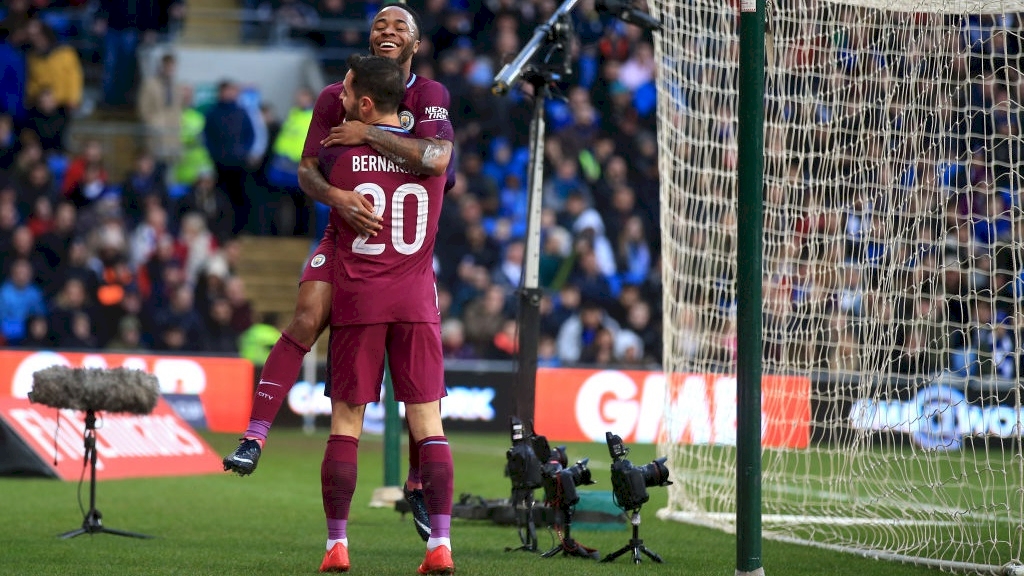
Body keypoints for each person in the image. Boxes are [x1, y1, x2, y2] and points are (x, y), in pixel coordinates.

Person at [223, 1, 454, 545]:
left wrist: (367, 133)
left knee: (417, 389)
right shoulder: (334, 95)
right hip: (345, 230)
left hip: (404, 238)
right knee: (307, 315)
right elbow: (307, 170)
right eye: (379, 24)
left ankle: (417, 483)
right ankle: (255, 435)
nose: (388, 31)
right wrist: (337, 198)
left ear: (415, 44)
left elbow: (438, 157)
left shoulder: (431, 96)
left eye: (400, 25)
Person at [316, 53, 454, 574]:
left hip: (360, 299)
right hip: (417, 300)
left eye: (348, 96)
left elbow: (318, 177)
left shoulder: (345, 157)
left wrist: (358, 134)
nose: (341, 104)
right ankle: (439, 544)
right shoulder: (432, 157)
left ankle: (337, 545)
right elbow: (437, 157)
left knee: (347, 424)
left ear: (366, 102)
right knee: (428, 424)